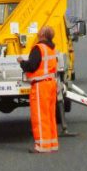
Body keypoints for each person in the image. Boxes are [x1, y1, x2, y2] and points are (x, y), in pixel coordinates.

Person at [19, 25, 59, 153]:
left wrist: (21, 62)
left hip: (40, 85)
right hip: (51, 83)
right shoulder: (51, 48)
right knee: (50, 115)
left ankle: (42, 145)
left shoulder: (38, 48)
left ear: (42, 34)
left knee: (40, 116)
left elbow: (31, 66)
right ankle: (52, 143)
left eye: (39, 31)